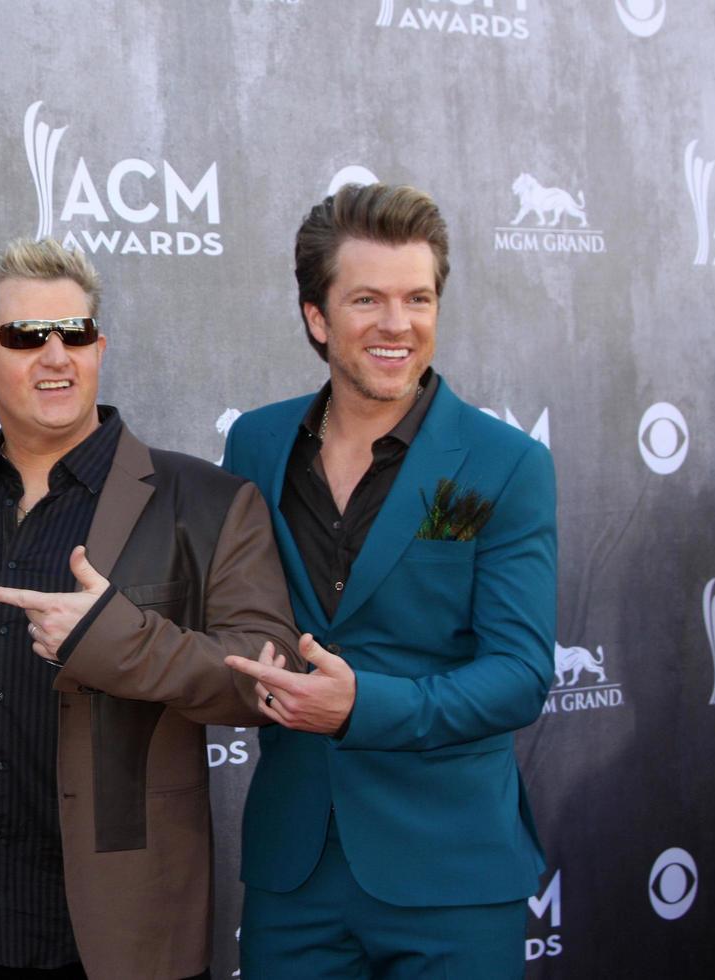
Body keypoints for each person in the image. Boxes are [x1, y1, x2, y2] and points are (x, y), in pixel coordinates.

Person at [0, 238, 298, 979]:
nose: (55, 357)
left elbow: (268, 679)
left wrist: (118, 640)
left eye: (74, 333)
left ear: (99, 347)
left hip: (118, 925)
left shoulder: (202, 502)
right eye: (24, 337)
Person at [221, 182, 556, 978]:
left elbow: (518, 676)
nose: (397, 325)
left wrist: (360, 705)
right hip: (293, 874)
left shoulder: (502, 464)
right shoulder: (257, 446)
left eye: (418, 298)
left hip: (452, 874)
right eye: (367, 298)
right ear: (316, 317)